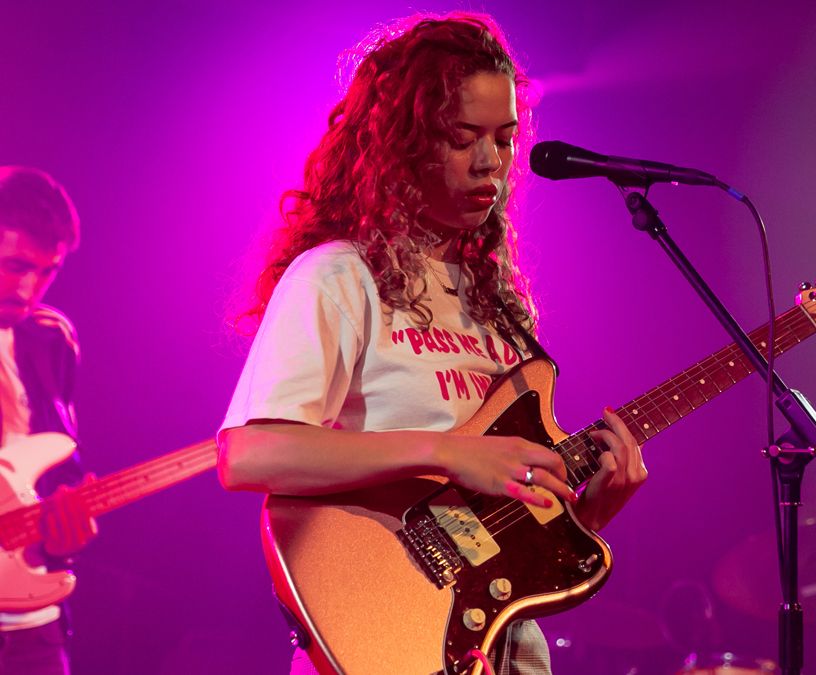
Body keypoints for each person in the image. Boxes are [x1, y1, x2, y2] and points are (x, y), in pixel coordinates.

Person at [216, 12, 647, 675]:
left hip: (503, 645)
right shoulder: (340, 274)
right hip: (377, 634)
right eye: (461, 136)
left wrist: (588, 513)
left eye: (504, 139)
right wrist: (446, 450)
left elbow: (493, 532)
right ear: (401, 142)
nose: (491, 162)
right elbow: (248, 454)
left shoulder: (499, 302)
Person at [0, 166, 97, 674]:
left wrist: (69, 524)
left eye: (48, 271)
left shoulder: (52, 337)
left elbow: (60, 469)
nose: (29, 288)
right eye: (16, 265)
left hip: (35, 629)